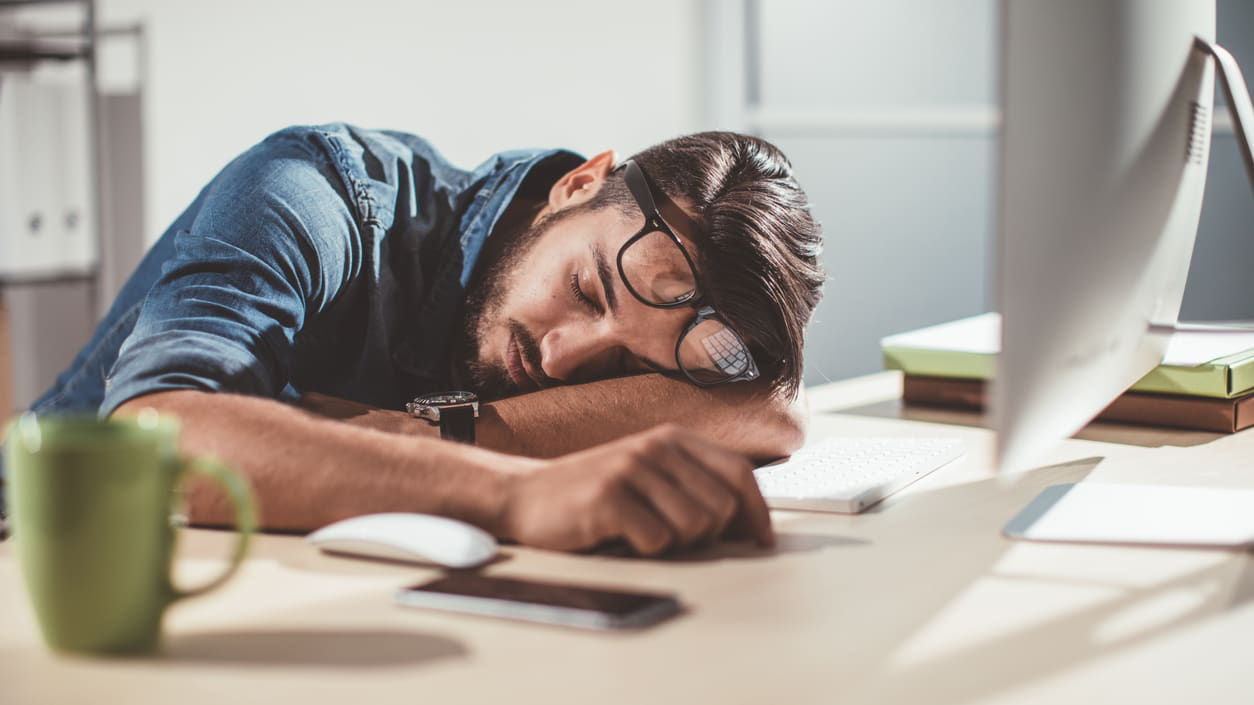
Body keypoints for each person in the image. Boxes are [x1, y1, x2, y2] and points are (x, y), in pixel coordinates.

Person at [16, 124, 825, 555]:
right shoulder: (314, 192)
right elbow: (162, 435)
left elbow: (768, 404)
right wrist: (515, 490)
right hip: (48, 562)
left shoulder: (589, 295)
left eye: (625, 365)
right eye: (585, 290)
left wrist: (429, 431)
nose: (565, 360)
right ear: (578, 182)